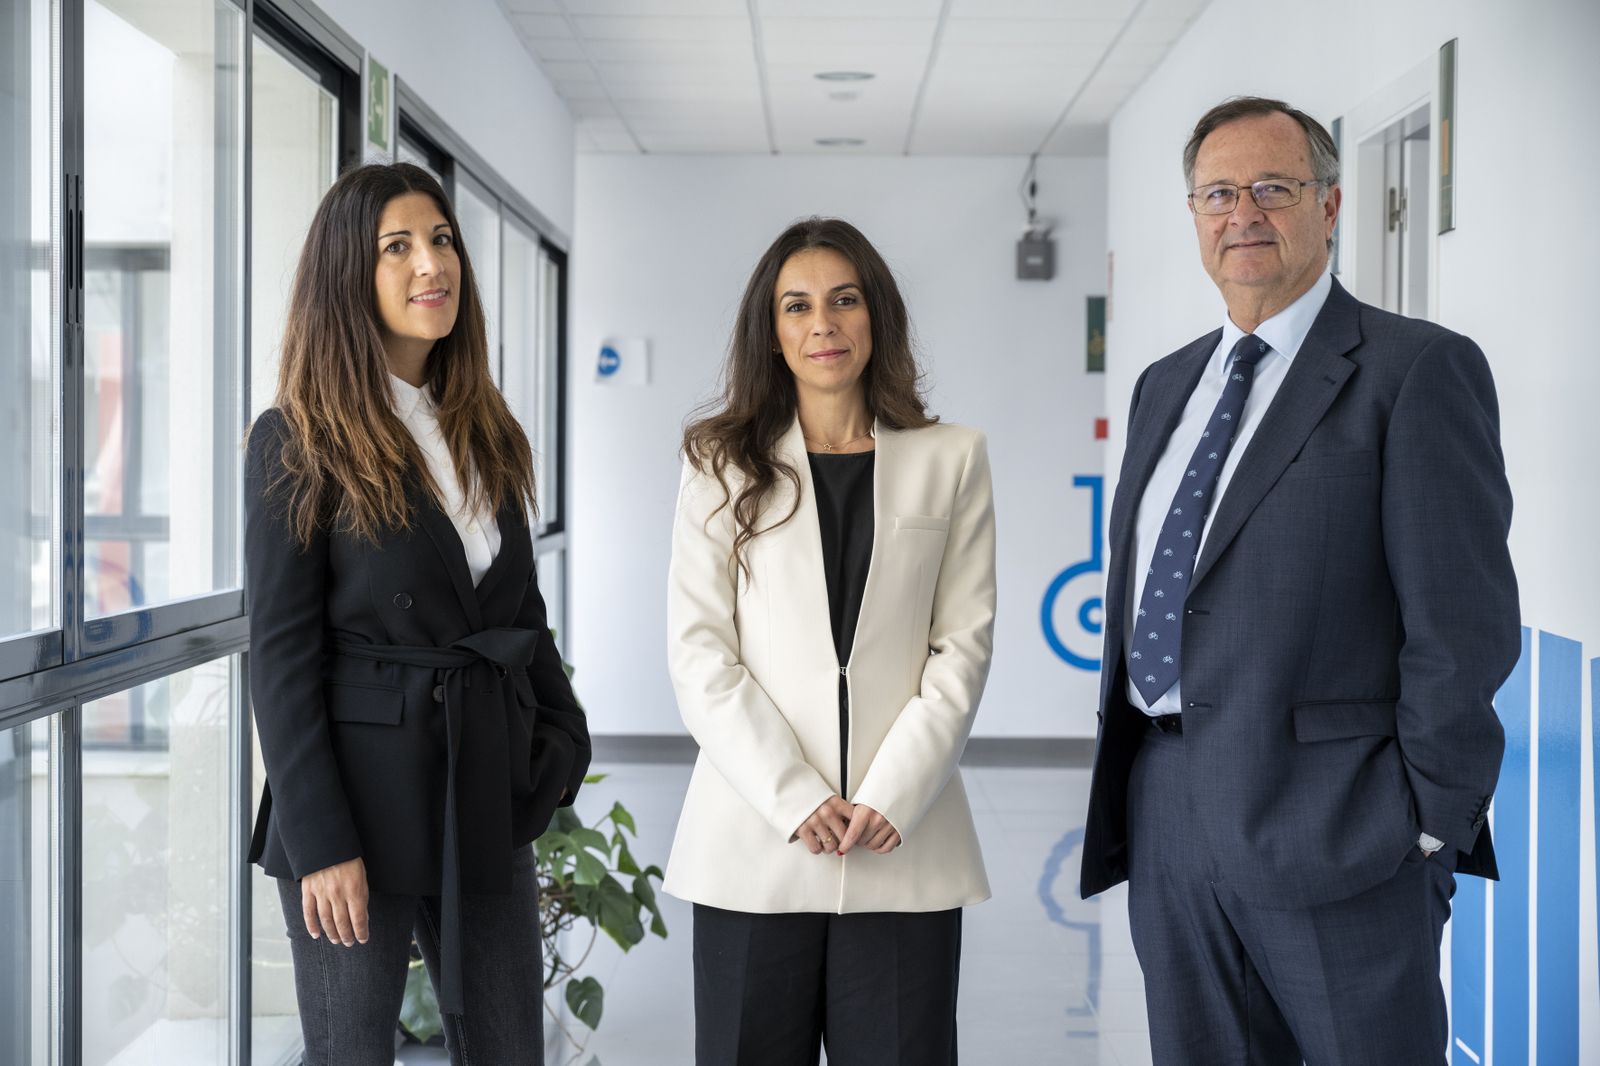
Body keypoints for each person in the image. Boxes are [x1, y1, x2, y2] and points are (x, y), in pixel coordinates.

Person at [1079, 96, 1520, 1064]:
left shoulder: (1414, 372)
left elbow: (1463, 626)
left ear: (1327, 206)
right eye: (1218, 193)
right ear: (1193, 215)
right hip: (1167, 812)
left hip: (1341, 832)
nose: (1243, 212)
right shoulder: (1165, 383)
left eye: (1273, 188)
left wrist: (1422, 829)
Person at [244, 162, 590, 1065]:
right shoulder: (297, 438)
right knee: (353, 1052)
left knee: (511, 1047)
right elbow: (279, 655)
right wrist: (321, 845)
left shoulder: (485, 428)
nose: (429, 264)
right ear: (347, 275)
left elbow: (520, 608)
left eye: (440, 241)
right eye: (397, 247)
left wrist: (562, 736)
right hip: (354, 802)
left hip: (481, 782)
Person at [663, 217, 996, 1065]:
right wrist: (792, 795)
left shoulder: (948, 459)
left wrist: (896, 789)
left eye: (844, 300)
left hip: (901, 838)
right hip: (753, 839)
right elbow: (701, 651)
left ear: (874, 315)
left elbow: (962, 642)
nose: (824, 325)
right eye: (798, 306)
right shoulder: (718, 463)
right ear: (771, 333)